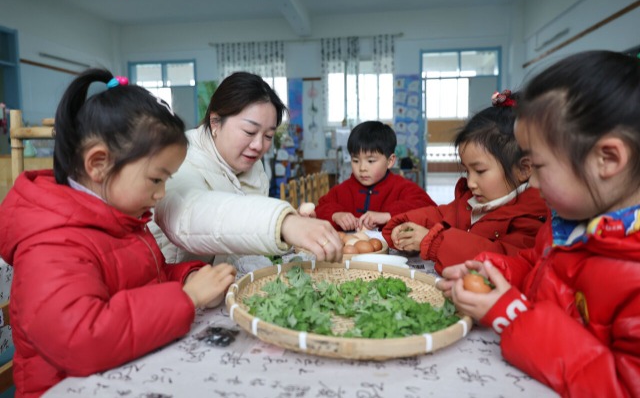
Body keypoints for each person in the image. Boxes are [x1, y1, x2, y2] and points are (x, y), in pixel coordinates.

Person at [0, 69, 237, 397]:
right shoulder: (51, 240)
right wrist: (187, 298)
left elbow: (145, 281)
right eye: (156, 179)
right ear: (99, 164)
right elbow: (82, 339)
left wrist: (187, 277)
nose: (161, 193)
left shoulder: (120, 218)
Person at [437, 51, 640, 397]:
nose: (530, 182)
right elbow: (539, 266)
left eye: (540, 167)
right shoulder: (569, 221)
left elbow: (622, 386)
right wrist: (493, 271)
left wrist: (514, 317)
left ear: (607, 159)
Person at [151, 72, 342, 266]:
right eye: (249, 132)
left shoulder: (252, 165)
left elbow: (244, 237)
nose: (259, 145)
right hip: (179, 283)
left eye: (268, 136)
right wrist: (283, 223)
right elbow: (191, 214)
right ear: (215, 122)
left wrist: (291, 233)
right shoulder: (180, 157)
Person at [382, 91, 548, 274]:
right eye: (467, 171)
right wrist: (405, 224)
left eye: (480, 171)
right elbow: (440, 214)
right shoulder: (470, 202)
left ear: (523, 169)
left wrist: (434, 243)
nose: (470, 182)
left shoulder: (532, 219)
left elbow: (500, 260)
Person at [310, 121, 436, 231]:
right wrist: (335, 215)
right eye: (355, 160)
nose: (362, 168)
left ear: (390, 161)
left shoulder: (403, 187)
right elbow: (319, 209)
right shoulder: (341, 190)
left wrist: (388, 215)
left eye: (370, 161)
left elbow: (431, 211)